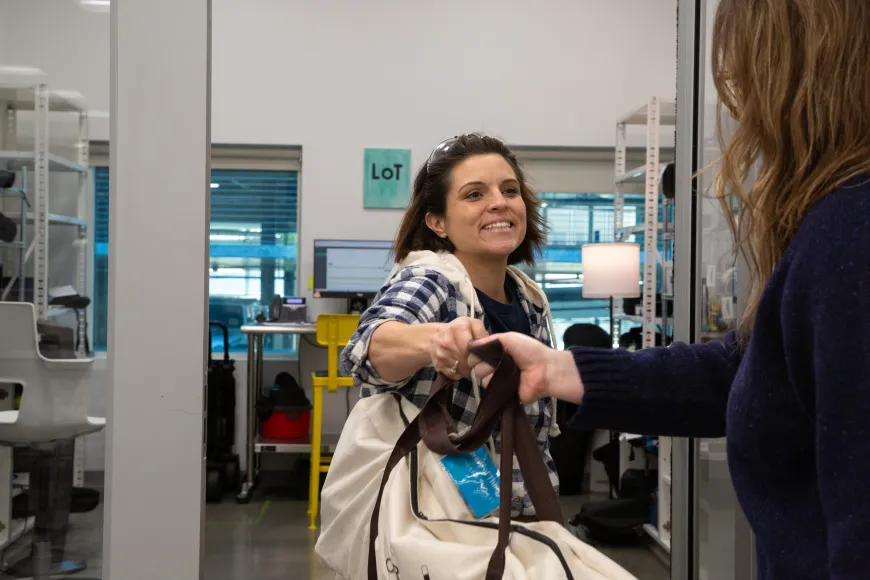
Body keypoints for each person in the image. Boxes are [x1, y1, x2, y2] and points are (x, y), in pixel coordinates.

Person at [467, 1, 870, 578]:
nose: (739, 104)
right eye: (474, 195)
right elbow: (749, 368)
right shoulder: (834, 232)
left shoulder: (849, 233)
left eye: (508, 189)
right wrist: (556, 370)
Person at [341, 133, 560, 517]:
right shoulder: (432, 280)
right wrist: (435, 340)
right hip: (441, 520)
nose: (499, 203)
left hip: (521, 511)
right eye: (474, 195)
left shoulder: (528, 298)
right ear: (437, 222)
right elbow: (368, 350)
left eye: (510, 190)